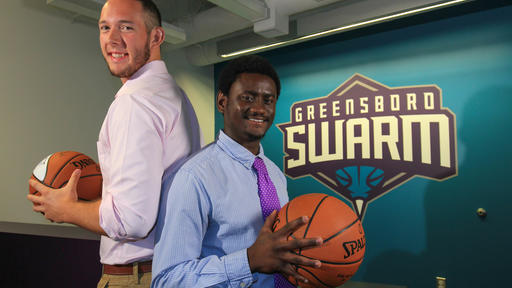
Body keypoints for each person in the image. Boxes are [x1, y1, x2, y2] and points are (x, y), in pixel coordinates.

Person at [27, 0, 202, 287]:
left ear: (157, 36)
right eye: (105, 28)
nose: (112, 39)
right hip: (173, 270)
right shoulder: (175, 94)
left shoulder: (135, 101)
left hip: (139, 276)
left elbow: (132, 220)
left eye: (126, 27)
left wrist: (66, 209)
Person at [151, 55, 322, 288]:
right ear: (222, 102)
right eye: (247, 98)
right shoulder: (195, 177)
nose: (259, 109)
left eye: (268, 100)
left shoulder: (274, 174)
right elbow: (167, 279)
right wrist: (249, 260)